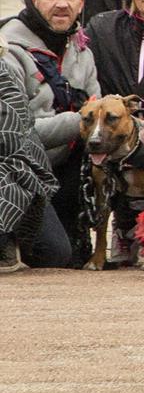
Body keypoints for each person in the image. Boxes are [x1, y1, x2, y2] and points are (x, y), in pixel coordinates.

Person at [0, 0, 96, 266]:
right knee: (54, 254)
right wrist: (81, 121)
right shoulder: (8, 50)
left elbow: (100, 112)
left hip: (61, 168)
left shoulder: (83, 51)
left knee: (70, 258)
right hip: (17, 169)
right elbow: (21, 134)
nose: (62, 4)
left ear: (81, 3)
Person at [0, 56, 60, 272]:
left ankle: (9, 238)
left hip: (12, 167)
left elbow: (12, 136)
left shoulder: (3, 72)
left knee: (55, 253)